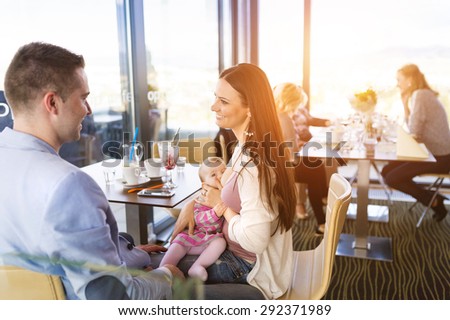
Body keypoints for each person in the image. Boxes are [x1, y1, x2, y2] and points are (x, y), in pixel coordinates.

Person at [0, 42, 184, 300]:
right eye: (83, 98)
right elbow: (115, 299)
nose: (88, 110)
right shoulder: (68, 185)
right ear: (52, 103)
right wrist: (167, 277)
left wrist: (118, 253)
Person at [172, 63, 297, 300]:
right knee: (158, 262)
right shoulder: (248, 144)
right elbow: (225, 183)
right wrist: (191, 205)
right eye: (215, 98)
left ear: (250, 107)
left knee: (160, 276)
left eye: (224, 101)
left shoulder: (253, 163)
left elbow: (255, 240)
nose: (213, 106)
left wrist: (225, 208)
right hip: (236, 253)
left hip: (249, 268)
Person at [381, 64, 450, 222]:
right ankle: (432, 198)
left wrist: (405, 104)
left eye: (399, 80)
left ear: (410, 80)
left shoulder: (421, 95)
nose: (397, 83)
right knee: (386, 170)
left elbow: (414, 131)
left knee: (392, 178)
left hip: (439, 157)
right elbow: (414, 130)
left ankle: (434, 200)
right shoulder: (422, 94)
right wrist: (405, 104)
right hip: (429, 153)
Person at [273, 82, 330, 235]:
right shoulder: (284, 118)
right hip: (283, 168)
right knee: (315, 169)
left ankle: (322, 217)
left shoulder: (275, 114)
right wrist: (304, 148)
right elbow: (292, 154)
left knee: (316, 165)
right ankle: (321, 219)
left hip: (277, 164)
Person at [159, 157, 227, 281]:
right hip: (193, 236)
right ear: (204, 184)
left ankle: (197, 267)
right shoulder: (203, 197)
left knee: (220, 243)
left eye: (223, 171)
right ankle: (163, 269)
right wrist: (214, 213)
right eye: (213, 174)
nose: (220, 176)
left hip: (209, 240)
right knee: (177, 242)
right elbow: (198, 218)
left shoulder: (226, 194)